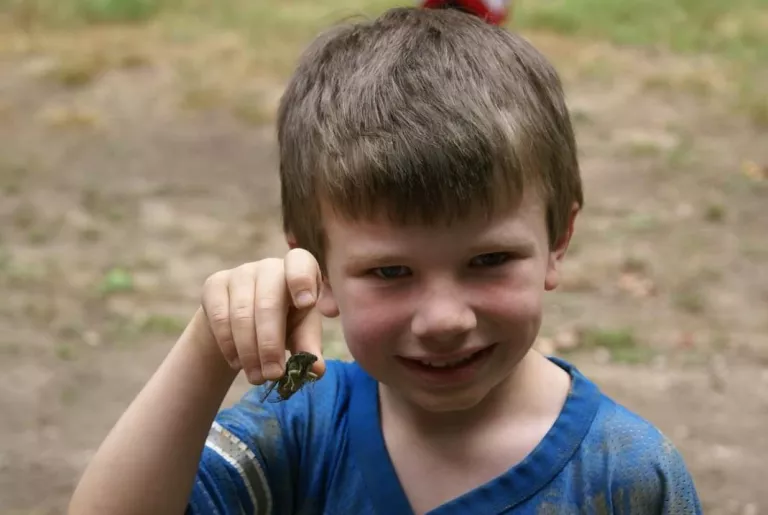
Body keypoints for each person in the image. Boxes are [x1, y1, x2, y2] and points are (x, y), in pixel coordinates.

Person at [68, 7, 702, 515]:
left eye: (489, 259)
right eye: (392, 272)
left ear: (557, 240)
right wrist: (210, 347)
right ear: (315, 269)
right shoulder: (299, 429)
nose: (445, 319)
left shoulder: (627, 475)